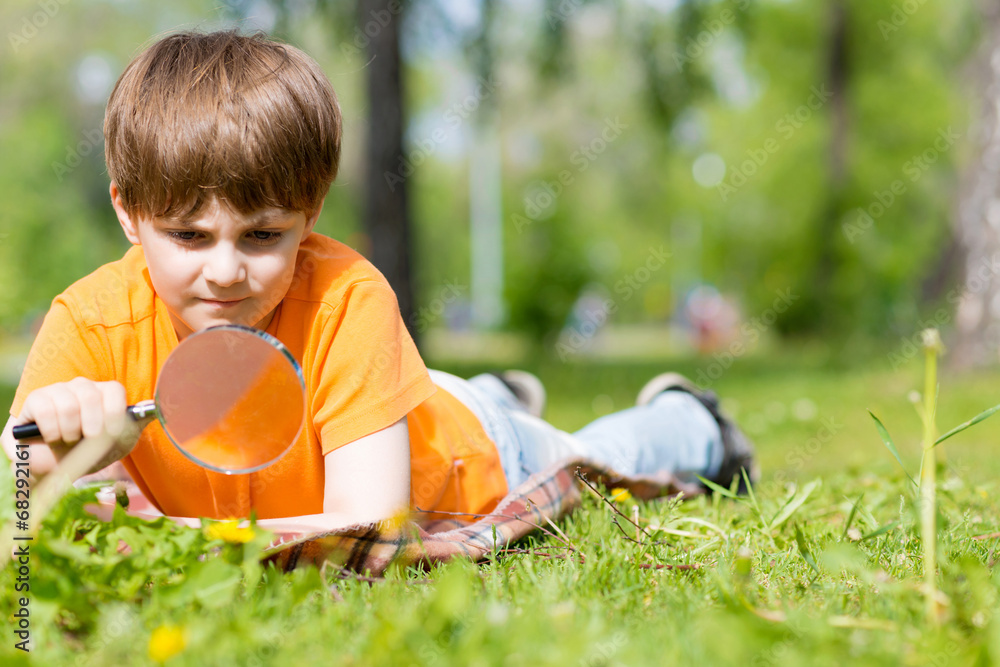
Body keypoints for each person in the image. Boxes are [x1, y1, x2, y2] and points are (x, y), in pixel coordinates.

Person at [0, 30, 756, 533]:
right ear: (129, 215)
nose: (225, 270)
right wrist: (47, 448)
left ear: (311, 211)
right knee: (439, 394)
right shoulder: (91, 322)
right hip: (399, 409)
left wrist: (175, 540)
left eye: (264, 234)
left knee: (600, 458)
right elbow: (18, 502)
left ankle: (689, 418)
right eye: (188, 235)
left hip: (470, 456)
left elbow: (368, 530)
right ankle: (487, 386)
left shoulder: (348, 299)